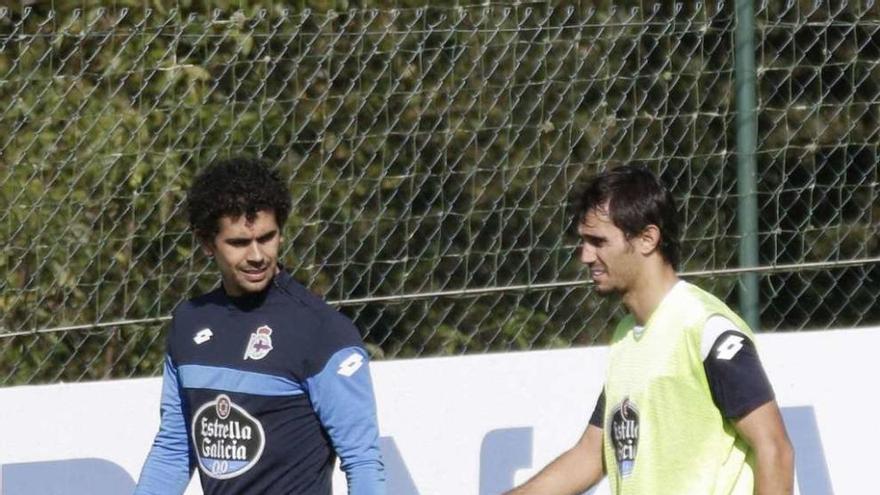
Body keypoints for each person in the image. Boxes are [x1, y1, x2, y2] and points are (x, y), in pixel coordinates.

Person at [506, 165, 793, 494]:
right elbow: (589, 454)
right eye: (584, 242)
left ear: (647, 239)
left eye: (598, 241)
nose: (585, 255)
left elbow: (775, 449)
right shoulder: (626, 336)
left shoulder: (705, 327)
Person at [134, 157, 385, 495]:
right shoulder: (189, 324)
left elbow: (363, 461)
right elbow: (174, 450)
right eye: (238, 243)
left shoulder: (323, 332)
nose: (257, 255)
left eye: (267, 238)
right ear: (207, 243)